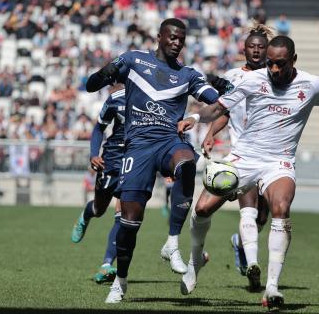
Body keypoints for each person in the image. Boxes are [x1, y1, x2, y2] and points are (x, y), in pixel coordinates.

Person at [177, 36, 319, 311]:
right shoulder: (253, 80)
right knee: (202, 208)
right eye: (270, 64)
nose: (274, 70)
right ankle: (194, 263)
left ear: (293, 60)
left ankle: (272, 287)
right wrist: (194, 119)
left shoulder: (313, 84)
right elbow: (220, 108)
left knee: (281, 207)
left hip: (279, 162)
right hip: (245, 158)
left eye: (280, 64)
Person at [86, 18, 221, 303]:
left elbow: (214, 100)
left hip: (168, 142)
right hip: (137, 147)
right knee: (129, 222)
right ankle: (120, 282)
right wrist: (106, 71)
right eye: (172, 37)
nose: (177, 42)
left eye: (181, 39)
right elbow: (91, 85)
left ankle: (172, 242)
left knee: (187, 163)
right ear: (159, 37)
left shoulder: (188, 74)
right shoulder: (134, 60)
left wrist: (223, 87)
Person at [199, 24, 273, 291]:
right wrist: (210, 134)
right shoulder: (233, 76)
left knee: (262, 218)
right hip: (242, 156)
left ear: (268, 50)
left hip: (270, 157)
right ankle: (253, 268)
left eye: (261, 47)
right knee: (225, 210)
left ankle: (240, 246)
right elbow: (225, 112)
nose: (256, 50)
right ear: (244, 50)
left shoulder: (274, 76)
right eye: (251, 46)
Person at [71, 84, 126, 284]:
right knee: (100, 209)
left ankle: (106, 264)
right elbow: (98, 128)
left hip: (135, 161)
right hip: (111, 160)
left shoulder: (153, 97)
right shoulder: (116, 98)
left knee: (124, 213)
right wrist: (94, 154)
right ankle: (87, 213)